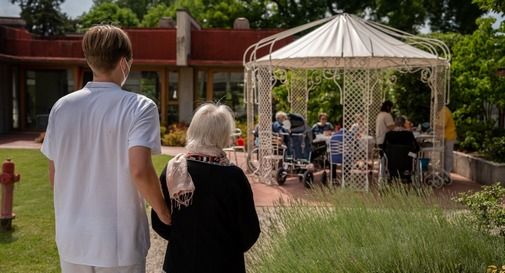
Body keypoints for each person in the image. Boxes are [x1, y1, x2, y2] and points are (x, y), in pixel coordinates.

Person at [41, 25, 171, 273]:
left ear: (89, 60)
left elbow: (54, 173)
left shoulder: (62, 107)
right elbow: (140, 170)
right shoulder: (140, 107)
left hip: (72, 237)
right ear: (124, 62)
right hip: (119, 241)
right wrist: (164, 212)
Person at [152, 103, 261, 273]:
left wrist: (183, 241)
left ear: (193, 130)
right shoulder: (234, 176)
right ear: (224, 134)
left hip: (180, 262)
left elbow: (159, 220)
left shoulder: (174, 169)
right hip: (225, 264)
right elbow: (250, 230)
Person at [438, 105, 457, 173]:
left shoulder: (444, 111)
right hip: (445, 136)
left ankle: (447, 173)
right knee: (443, 154)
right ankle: (443, 171)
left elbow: (442, 125)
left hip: (449, 135)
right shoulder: (441, 111)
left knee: (448, 154)